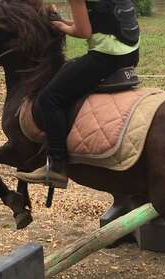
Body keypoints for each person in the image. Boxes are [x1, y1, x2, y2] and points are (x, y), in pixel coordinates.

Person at [15, 0, 140, 189]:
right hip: (131, 52)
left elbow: (84, 32)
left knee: (50, 98)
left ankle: (56, 166)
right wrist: (65, 22)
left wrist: (61, 27)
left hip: (107, 56)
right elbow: (100, 18)